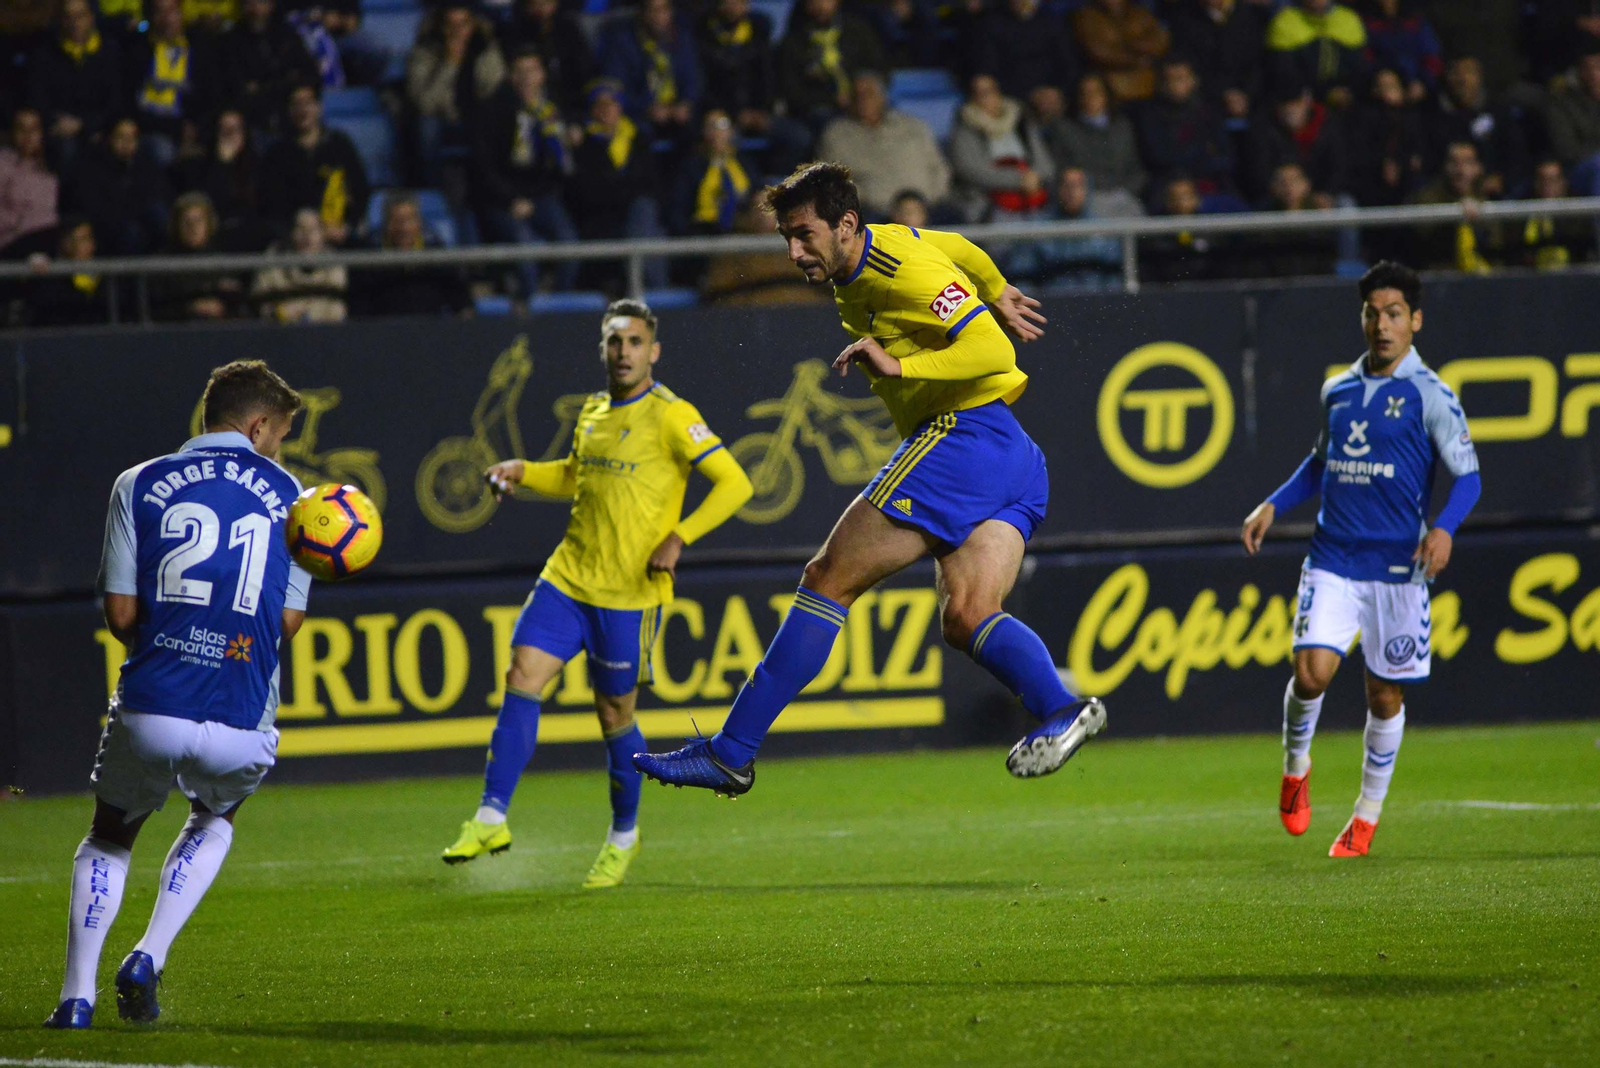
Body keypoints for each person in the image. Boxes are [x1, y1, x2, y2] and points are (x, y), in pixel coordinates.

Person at [633, 162, 1107, 795]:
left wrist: (901, 361)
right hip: (1012, 456)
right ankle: (1062, 706)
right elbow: (957, 246)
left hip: (960, 438)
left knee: (826, 580)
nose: (794, 252)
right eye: (786, 239)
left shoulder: (899, 271)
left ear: (846, 224)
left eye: (804, 235)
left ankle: (731, 751)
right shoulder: (883, 249)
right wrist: (994, 286)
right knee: (967, 615)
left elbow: (996, 352)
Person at [441, 301, 754, 885]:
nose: (625, 351)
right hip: (567, 578)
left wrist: (682, 535)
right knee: (521, 675)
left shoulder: (672, 415)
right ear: (603, 347)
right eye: (615, 341)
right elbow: (574, 474)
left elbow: (737, 482)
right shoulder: (593, 411)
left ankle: (623, 834)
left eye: (635, 341)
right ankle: (490, 814)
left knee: (614, 714)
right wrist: (522, 471)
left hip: (629, 596)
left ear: (653, 351)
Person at [41, 360, 311, 1029]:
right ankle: (149, 955)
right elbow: (287, 625)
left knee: (110, 836)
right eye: (277, 433)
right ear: (256, 425)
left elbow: (123, 616)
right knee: (217, 816)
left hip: (154, 703)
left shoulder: (139, 483)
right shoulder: (296, 498)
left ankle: (77, 999)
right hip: (241, 714)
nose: (276, 446)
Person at [1241, 261, 1480, 858]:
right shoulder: (1339, 389)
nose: (1382, 324)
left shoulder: (1432, 396)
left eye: (1394, 313)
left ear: (1415, 321)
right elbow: (1321, 464)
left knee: (1384, 696)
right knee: (1310, 674)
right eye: (1373, 312)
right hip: (1334, 558)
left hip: (1399, 570)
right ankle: (1296, 769)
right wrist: (1273, 502)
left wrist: (1445, 528)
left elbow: (1469, 478)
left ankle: (1365, 816)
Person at [472, 48, 578, 294]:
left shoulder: (552, 108)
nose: (527, 78)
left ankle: (561, 303)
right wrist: (510, 199)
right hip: (501, 198)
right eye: (520, 72)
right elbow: (483, 167)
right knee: (525, 246)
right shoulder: (491, 110)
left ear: (542, 74)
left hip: (542, 194)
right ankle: (533, 310)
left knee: (568, 241)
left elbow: (563, 163)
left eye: (532, 71)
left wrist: (568, 136)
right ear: (510, 76)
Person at [568, 79, 667, 289]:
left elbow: (651, 184)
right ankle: (650, 294)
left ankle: (651, 293)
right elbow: (587, 193)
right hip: (603, 222)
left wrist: (619, 189)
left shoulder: (638, 139)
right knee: (647, 228)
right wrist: (625, 190)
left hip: (636, 219)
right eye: (600, 105)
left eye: (611, 104)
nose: (606, 110)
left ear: (620, 107)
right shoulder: (584, 145)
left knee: (647, 221)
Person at [815, 71, 950, 220]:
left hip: (928, 206)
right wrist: (868, 199)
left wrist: (926, 201)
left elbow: (939, 167)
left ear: (882, 96)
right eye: (858, 95)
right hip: (874, 212)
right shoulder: (836, 134)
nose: (864, 100)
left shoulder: (913, 126)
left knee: (956, 219)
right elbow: (832, 181)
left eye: (869, 93)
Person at [406, 1, 507, 184]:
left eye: (463, 24)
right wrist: (450, 64)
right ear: (440, 25)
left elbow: (494, 90)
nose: (457, 31)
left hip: (478, 116)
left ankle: (496, 184)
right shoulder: (426, 51)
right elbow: (424, 104)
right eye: (450, 25)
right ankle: (432, 186)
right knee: (427, 127)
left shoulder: (485, 47)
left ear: (473, 24)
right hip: (442, 118)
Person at [259, 80, 370, 245]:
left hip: (336, 238)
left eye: (308, 103)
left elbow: (361, 191)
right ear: (288, 110)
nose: (303, 110)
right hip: (293, 240)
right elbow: (272, 204)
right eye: (296, 104)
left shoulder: (340, 145)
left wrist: (346, 227)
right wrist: (298, 231)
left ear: (319, 107)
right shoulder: (276, 154)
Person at [27, 0, 125, 167]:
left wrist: (84, 125)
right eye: (68, 17)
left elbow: (117, 101)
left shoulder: (110, 52)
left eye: (80, 16)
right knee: (66, 148)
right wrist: (55, 122)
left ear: (91, 18)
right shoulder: (45, 54)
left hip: (99, 128)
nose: (74, 23)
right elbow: (37, 98)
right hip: (59, 129)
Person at [124, 0, 221, 166]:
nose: (167, 19)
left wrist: (195, 127)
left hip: (193, 129)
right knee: (163, 151)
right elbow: (132, 105)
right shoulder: (138, 51)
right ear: (151, 16)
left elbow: (211, 97)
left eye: (172, 11)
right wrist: (175, 128)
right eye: (160, 12)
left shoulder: (200, 48)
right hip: (153, 130)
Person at [949, 73, 1056, 222]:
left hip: (1033, 195)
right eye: (978, 93)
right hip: (989, 201)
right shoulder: (965, 126)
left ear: (998, 92)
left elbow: (1045, 164)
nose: (985, 97)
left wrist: (1035, 177)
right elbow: (969, 169)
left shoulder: (1020, 120)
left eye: (989, 91)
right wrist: (1018, 180)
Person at [61, 114, 172, 257]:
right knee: (133, 232)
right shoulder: (90, 168)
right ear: (109, 138)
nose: (127, 143)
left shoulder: (145, 166)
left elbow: (155, 198)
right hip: (106, 234)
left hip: (140, 230)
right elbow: (95, 210)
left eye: (132, 138)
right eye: (121, 137)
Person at [349, 192, 472, 317]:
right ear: (386, 224)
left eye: (410, 220)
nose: (404, 228)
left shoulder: (435, 251)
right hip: (384, 330)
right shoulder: (369, 256)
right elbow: (359, 305)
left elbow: (459, 295)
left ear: (419, 222)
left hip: (430, 328)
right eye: (397, 221)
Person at [599, 0, 702, 147]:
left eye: (664, 9)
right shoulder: (624, 41)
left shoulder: (681, 38)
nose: (660, 16)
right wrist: (647, 108)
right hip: (640, 113)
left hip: (676, 112)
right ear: (642, 13)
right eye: (654, 10)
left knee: (695, 131)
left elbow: (693, 77)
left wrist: (686, 103)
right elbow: (617, 86)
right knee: (639, 135)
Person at [1004, 166, 1124, 290]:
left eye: (1078, 185)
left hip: (1097, 304)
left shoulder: (1105, 232)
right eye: (1066, 185)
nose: (1072, 192)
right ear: (1056, 189)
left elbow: (1114, 280)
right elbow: (1022, 278)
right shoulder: (1036, 230)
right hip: (1050, 304)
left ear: (1088, 189)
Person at [776, 0, 885, 132]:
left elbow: (879, 67)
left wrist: (865, 85)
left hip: (860, 99)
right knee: (829, 121)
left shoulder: (858, 31)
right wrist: (832, 99)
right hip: (820, 109)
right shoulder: (792, 42)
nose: (821, 6)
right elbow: (793, 94)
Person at [1044, 72, 1146, 210]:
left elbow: (1136, 168)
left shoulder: (1123, 126)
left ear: (1106, 95)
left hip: (1123, 196)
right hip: (1085, 200)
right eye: (1084, 93)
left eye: (1096, 92)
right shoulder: (1064, 129)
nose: (1091, 97)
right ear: (1077, 97)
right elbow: (1060, 171)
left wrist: (1126, 191)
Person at [1429, 55, 1525, 198]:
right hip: (1444, 196)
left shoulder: (1499, 111)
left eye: (1468, 72)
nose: (1462, 79)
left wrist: (1502, 179)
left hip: (1493, 196)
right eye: (1455, 72)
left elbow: (1516, 155)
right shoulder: (1431, 114)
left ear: (1479, 76)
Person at [219, 0, 317, 139]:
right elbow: (236, 89)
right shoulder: (230, 41)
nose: (255, 9)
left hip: (290, 122)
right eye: (249, 3)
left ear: (271, 4)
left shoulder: (287, 36)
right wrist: (284, 81)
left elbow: (310, 75)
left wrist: (262, 87)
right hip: (250, 126)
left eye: (260, 2)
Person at [174, 109, 266, 250]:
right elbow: (205, 201)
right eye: (224, 129)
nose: (229, 135)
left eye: (234, 129)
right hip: (213, 234)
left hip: (247, 231)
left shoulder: (257, 165)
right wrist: (222, 164)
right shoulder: (201, 166)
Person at [1165, 0, 1269, 123]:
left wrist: (1246, 92)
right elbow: (1192, 65)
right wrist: (1224, 93)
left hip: (1252, 95)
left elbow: (1259, 61)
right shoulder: (1184, 17)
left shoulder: (1251, 14)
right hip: (1208, 98)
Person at [151, 191, 245, 321]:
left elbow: (239, 307)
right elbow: (155, 310)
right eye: (186, 221)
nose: (193, 227)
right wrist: (190, 308)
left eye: (198, 220)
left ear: (209, 223)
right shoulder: (161, 265)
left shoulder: (223, 264)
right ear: (176, 225)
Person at [1408, 140, 1500, 272]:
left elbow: (1496, 242)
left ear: (1478, 167)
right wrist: (1456, 211)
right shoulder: (1427, 196)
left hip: (1484, 277)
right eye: (1454, 163)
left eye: (1468, 162)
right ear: (1445, 166)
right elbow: (1424, 237)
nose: (1461, 170)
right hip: (1441, 275)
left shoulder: (1490, 196)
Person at [668, 109, 758, 236]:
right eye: (711, 126)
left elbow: (756, 191)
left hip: (742, 229)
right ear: (704, 132)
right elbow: (679, 210)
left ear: (731, 131)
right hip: (704, 232)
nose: (717, 133)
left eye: (722, 125)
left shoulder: (744, 162)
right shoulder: (692, 167)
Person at [251, 206, 348, 320]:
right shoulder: (274, 259)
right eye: (300, 228)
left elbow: (336, 308)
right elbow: (261, 303)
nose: (307, 235)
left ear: (323, 234)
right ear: (291, 232)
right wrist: (279, 313)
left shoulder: (333, 263)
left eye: (313, 229)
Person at [1266, 0, 1368, 108]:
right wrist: (1325, 93)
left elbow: (1358, 68)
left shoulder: (1348, 19)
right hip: (1300, 99)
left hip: (1346, 98)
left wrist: (1347, 91)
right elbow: (1284, 74)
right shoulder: (1285, 21)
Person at [972, 0, 1077, 103]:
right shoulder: (992, 24)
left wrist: (1056, 91)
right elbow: (988, 66)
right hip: (1009, 96)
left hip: (1051, 93)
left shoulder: (1053, 22)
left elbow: (1068, 63)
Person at [1073, 0, 1172, 104]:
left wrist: (1134, 45)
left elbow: (1161, 40)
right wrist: (1134, 59)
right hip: (1112, 84)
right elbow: (1098, 51)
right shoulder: (1087, 17)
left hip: (1148, 83)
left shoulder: (1140, 13)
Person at [24, 216, 109, 327]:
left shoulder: (105, 276)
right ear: (66, 243)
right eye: (83, 239)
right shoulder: (51, 277)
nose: (90, 245)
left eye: (90, 238)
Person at [1513, 158, 1596, 269]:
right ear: (1535, 183)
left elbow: (1583, 252)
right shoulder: (1521, 214)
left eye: (1552, 180)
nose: (1547, 185)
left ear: (1563, 182)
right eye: (1542, 180)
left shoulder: (1577, 215)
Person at [0, 108, 58, 256]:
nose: (28, 135)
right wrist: (20, 222)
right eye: (21, 128)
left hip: (47, 243)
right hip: (11, 243)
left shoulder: (50, 168)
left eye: (34, 129)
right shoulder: (3, 165)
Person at [1359, 0, 1442, 103]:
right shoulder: (1368, 22)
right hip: (1384, 82)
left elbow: (1432, 56)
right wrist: (1380, 75)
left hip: (1419, 84)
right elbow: (1366, 55)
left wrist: (1423, 81)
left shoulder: (1416, 21)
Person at [1546, 49, 1600, 196]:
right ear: (1579, 72)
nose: (1594, 75)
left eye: (1598, 67)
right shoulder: (1562, 104)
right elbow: (1568, 150)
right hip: (1576, 171)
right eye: (1588, 68)